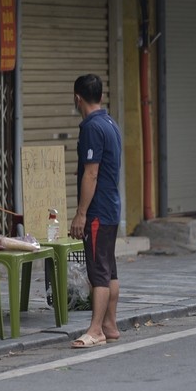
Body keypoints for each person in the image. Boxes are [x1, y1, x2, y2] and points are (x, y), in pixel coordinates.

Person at [69, 74, 122, 349]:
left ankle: (95, 330)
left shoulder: (91, 127)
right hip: (112, 207)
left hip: (98, 211)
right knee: (109, 269)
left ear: (78, 98)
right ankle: (110, 325)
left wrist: (81, 213)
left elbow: (91, 174)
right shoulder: (110, 122)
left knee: (98, 272)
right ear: (100, 96)